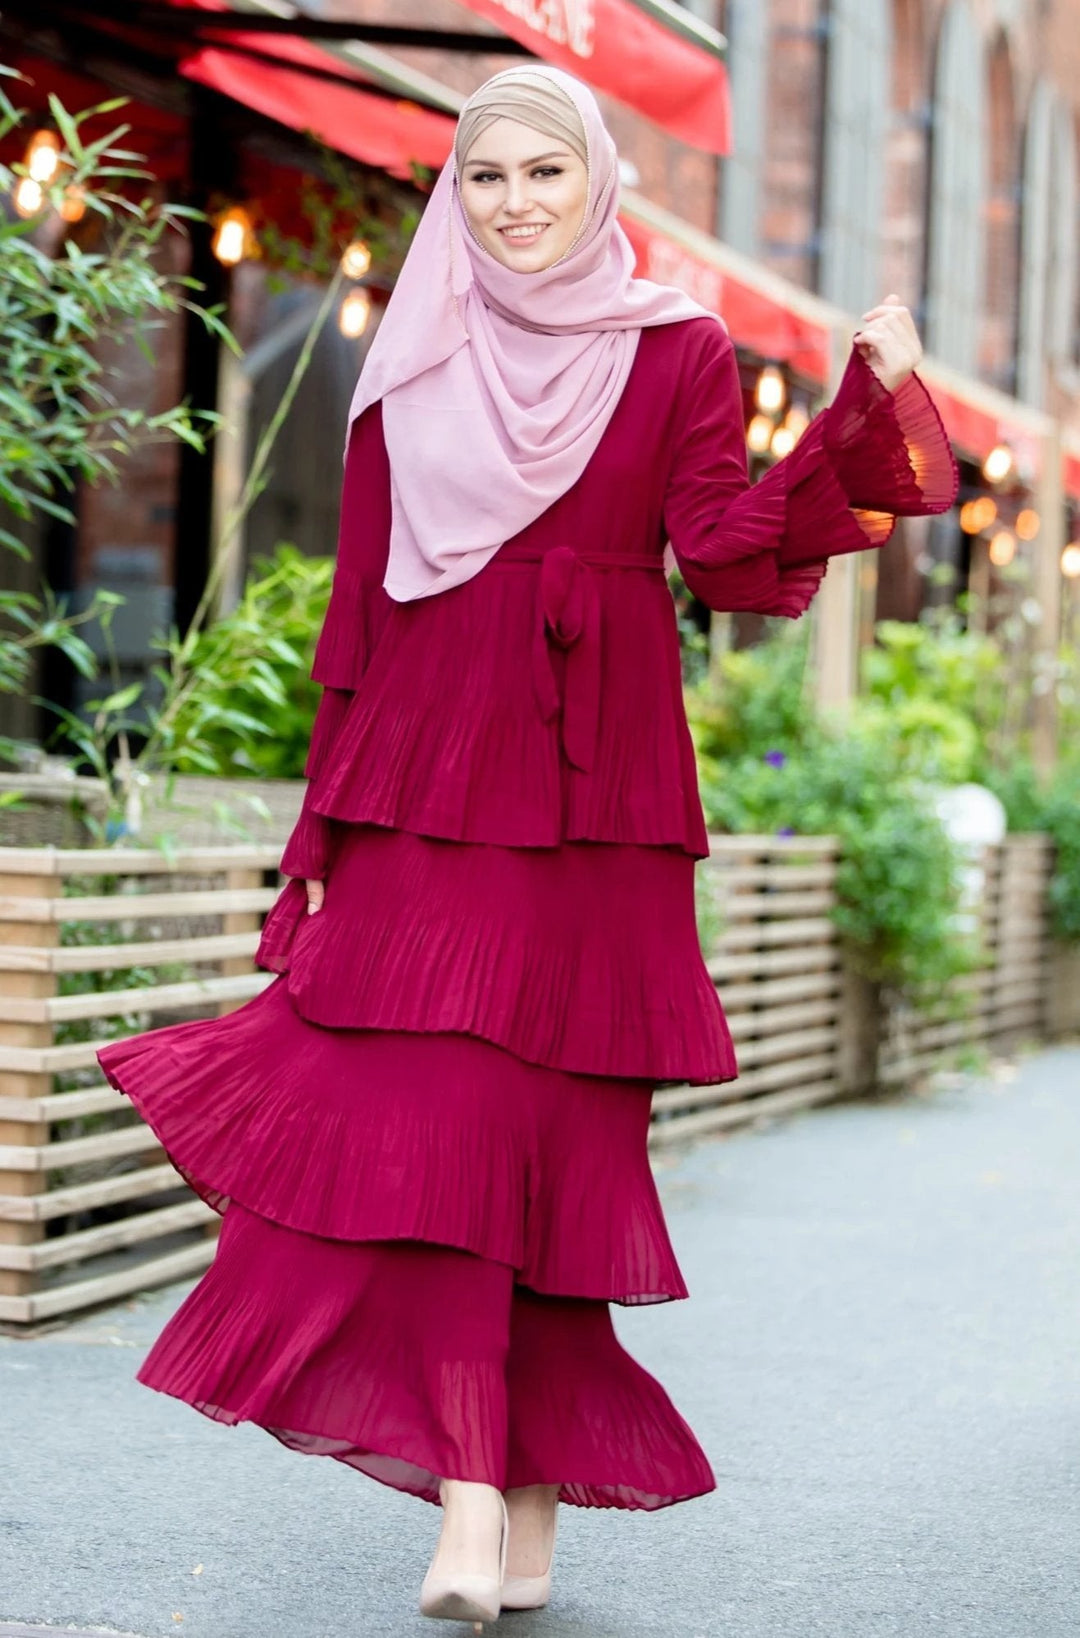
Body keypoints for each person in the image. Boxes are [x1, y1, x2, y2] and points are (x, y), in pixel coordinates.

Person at [99, 65, 958, 1628]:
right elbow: (356, 624)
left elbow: (723, 555)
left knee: (548, 1154)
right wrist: (318, 841)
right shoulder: (410, 360)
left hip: (593, 804)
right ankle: (476, 1494)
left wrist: (859, 409)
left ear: (597, 177)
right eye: (483, 177)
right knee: (429, 1132)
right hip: (425, 786)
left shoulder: (681, 351)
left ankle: (528, 1492)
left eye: (541, 172)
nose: (512, 204)